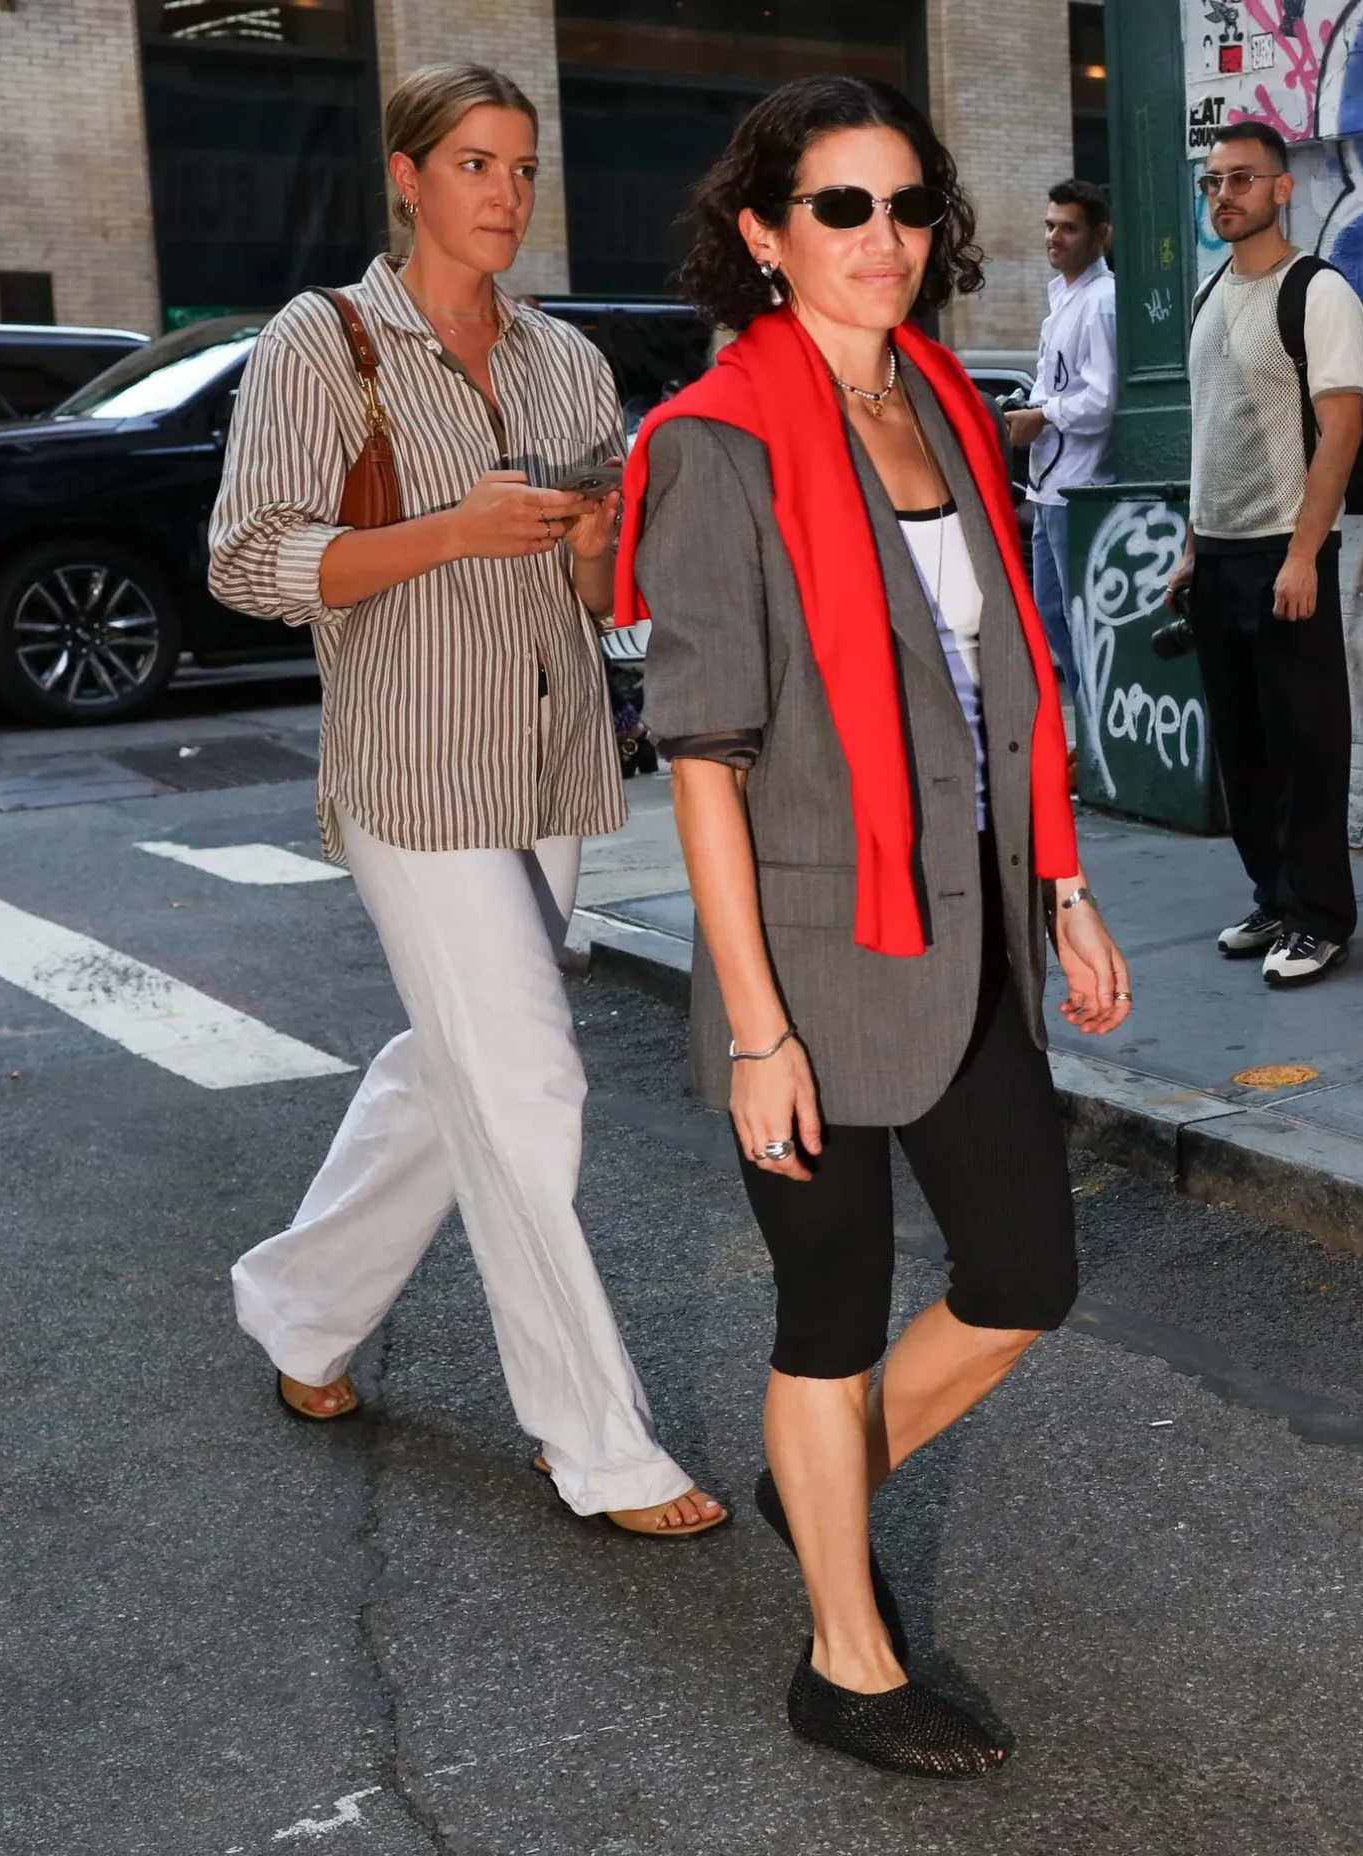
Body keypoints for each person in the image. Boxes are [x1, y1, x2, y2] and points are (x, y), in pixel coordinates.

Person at [624, 75, 1133, 1777]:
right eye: (841, 208)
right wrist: (757, 1028)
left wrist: (1058, 884)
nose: (884, 241)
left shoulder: (941, 406)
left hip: (963, 919)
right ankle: (843, 1658)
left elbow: (1003, 685)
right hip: (808, 955)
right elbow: (704, 759)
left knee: (1023, 1273)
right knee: (826, 1317)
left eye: (907, 206)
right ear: (763, 235)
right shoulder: (716, 443)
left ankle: (817, 1480)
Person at [209, 64, 724, 1541]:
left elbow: (594, 588)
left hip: (546, 755)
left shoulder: (566, 364)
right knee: (525, 1079)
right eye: (477, 164)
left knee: (450, 1067)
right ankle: (597, 1441)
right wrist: (451, 530)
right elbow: (248, 563)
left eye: (523, 168)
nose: (505, 194)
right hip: (410, 762)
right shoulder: (325, 341)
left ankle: (301, 1307)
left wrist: (588, 549)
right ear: (408, 177)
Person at [1166, 121, 1363, 987]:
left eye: (1243, 180)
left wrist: (1304, 553)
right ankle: (1275, 897)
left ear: (1283, 189)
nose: (1225, 195)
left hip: (1285, 553)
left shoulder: (1316, 291)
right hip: (1217, 556)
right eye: (1214, 182)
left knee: (1306, 745)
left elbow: (1343, 428)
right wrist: (1188, 549)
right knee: (1244, 749)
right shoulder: (1212, 291)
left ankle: (1320, 917)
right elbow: (1211, 434)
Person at [1005, 178, 1115, 703]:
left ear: (1101, 236)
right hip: (1048, 487)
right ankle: (1092, 736)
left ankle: (1099, 738)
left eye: (1068, 228)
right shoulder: (1064, 298)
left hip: (1080, 485)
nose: (1054, 236)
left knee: (1081, 623)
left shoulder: (1103, 302)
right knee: (1054, 615)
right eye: (1050, 225)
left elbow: (1103, 401)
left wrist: (1042, 416)